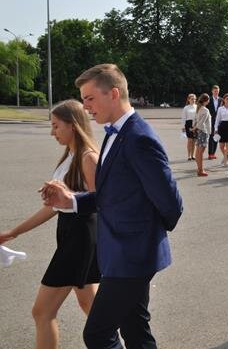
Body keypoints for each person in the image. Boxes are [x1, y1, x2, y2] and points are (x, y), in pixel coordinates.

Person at [40, 63, 183, 349]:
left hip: (133, 256)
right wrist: (72, 200)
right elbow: (110, 194)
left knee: (97, 334)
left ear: (114, 94)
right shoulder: (114, 133)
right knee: (135, 330)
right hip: (120, 254)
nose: (85, 106)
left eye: (90, 98)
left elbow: (171, 203)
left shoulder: (139, 138)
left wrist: (145, 236)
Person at [0, 99, 100, 349]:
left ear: (73, 125)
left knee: (42, 312)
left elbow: (102, 202)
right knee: (91, 306)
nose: (52, 132)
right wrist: (13, 232)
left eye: (56, 126)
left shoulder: (88, 157)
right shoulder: (71, 156)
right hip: (71, 233)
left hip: (80, 238)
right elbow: (53, 208)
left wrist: (69, 197)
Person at [194, 93, 212, 177]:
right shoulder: (205, 110)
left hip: (199, 131)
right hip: (204, 132)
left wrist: (194, 127)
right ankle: (201, 170)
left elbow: (196, 120)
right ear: (206, 101)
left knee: (198, 151)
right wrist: (195, 127)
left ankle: (199, 169)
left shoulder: (199, 108)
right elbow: (202, 122)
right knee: (200, 152)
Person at [206, 85, 222, 160]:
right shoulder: (209, 99)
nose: (216, 92)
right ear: (212, 91)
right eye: (215, 91)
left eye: (217, 91)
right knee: (211, 137)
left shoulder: (221, 100)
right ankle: (210, 154)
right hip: (210, 121)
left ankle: (213, 153)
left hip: (219, 122)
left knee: (216, 137)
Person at [181, 93, 197, 161]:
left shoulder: (197, 107)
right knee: (190, 140)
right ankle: (189, 155)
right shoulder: (186, 108)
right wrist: (183, 127)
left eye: (194, 99)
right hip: (188, 124)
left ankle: (193, 155)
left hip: (195, 124)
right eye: (192, 99)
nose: (193, 100)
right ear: (189, 99)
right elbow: (183, 118)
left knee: (194, 141)